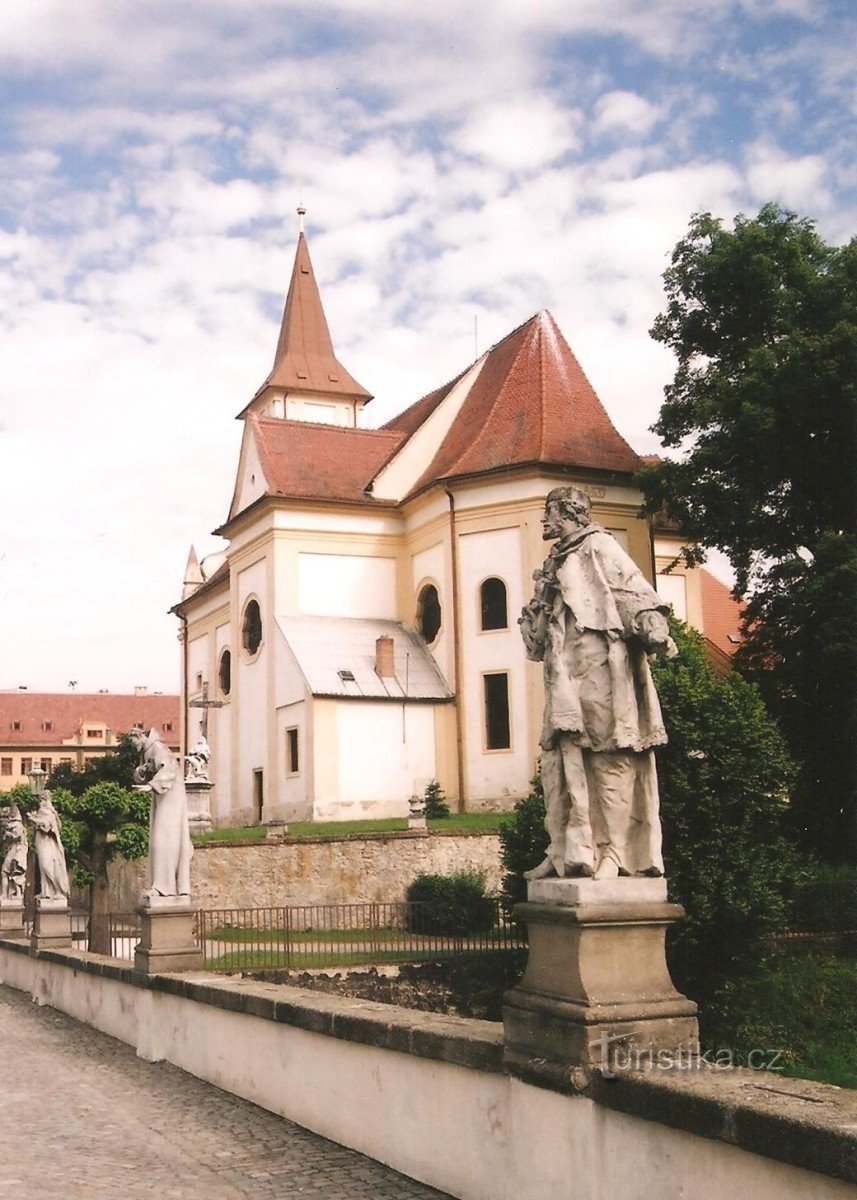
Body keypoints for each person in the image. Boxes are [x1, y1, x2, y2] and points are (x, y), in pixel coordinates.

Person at [519, 485, 677, 881]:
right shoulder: (553, 562)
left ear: (568, 512)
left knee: (610, 759)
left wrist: (652, 624)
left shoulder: (600, 546)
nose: (544, 518)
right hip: (564, 673)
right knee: (561, 761)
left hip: (603, 668)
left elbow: (633, 591)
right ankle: (567, 850)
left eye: (549, 510)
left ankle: (615, 853)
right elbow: (536, 640)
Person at [130, 727, 192, 899]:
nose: (133, 745)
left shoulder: (158, 748)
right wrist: (141, 772)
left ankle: (163, 887)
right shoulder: (148, 751)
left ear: (141, 737)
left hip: (170, 799)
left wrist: (151, 785)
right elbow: (151, 769)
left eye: (133, 740)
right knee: (158, 841)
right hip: (163, 798)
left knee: (163, 840)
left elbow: (169, 769)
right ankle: (162, 885)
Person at [28, 793, 70, 899]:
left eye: (42, 800)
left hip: (48, 843)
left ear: (46, 801)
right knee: (42, 867)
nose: (40, 803)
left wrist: (33, 819)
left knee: (47, 866)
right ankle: (45, 892)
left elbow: (47, 826)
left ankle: (58, 890)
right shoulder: (41, 812)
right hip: (41, 843)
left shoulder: (47, 812)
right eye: (39, 801)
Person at [1, 805, 29, 900]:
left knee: (13, 873)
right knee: (6, 872)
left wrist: (8, 834)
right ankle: (6, 895)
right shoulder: (11, 825)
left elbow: (16, 836)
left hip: (17, 853)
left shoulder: (18, 826)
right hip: (13, 851)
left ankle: (16, 894)